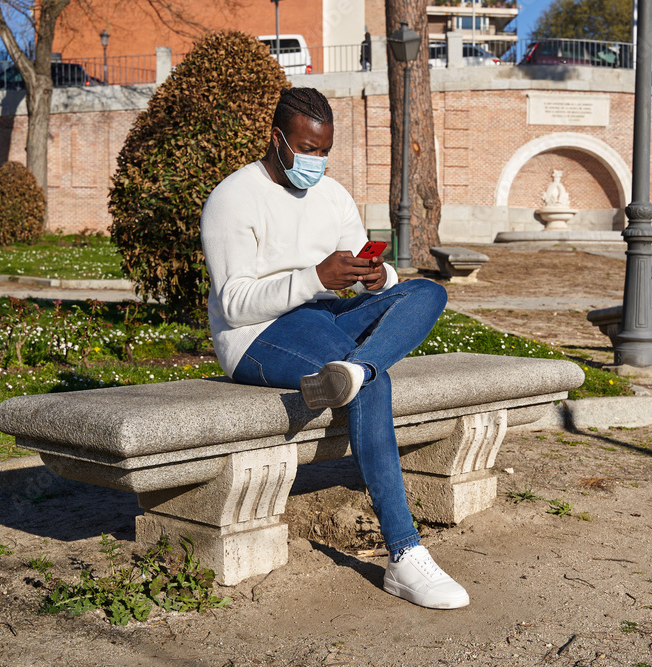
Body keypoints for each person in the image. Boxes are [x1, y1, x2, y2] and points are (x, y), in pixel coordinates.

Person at [200, 87, 468, 610]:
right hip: (258, 335)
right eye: (307, 149)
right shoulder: (232, 198)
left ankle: (357, 368)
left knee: (425, 292)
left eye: (324, 151)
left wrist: (376, 277)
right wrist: (315, 277)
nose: (317, 161)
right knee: (374, 385)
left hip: (325, 314)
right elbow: (233, 304)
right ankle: (405, 552)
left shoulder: (334, 195)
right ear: (277, 138)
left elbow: (370, 269)